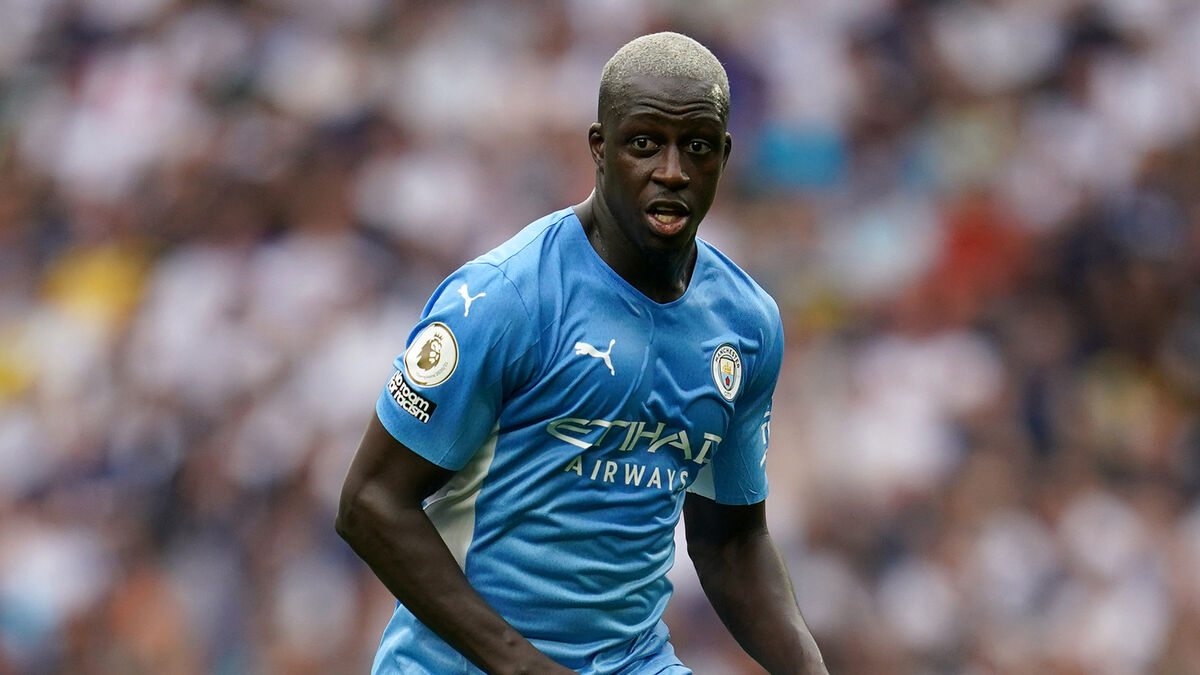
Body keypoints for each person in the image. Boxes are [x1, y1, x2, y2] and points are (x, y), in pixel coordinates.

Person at [336, 32, 828, 675]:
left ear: (725, 155)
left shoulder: (746, 323)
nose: (672, 171)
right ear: (600, 147)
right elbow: (370, 503)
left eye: (697, 146)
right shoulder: (505, 298)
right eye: (644, 144)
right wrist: (522, 665)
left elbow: (731, 541)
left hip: (633, 661)